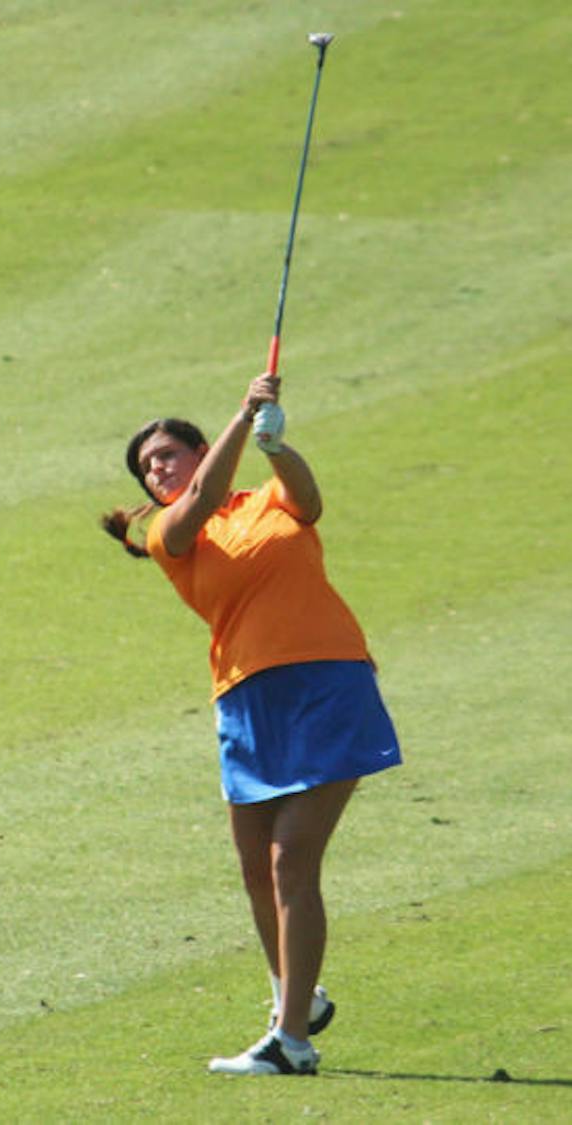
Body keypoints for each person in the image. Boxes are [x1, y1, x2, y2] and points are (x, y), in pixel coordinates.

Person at [101, 374, 402, 1077]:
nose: (158, 469)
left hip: (328, 681)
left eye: (168, 454)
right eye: (147, 466)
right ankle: (294, 997)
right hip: (245, 697)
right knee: (255, 866)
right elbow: (204, 496)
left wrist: (275, 444)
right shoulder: (170, 533)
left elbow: (309, 502)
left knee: (291, 857)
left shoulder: (267, 500)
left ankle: (291, 1042)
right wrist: (244, 415)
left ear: (200, 450)